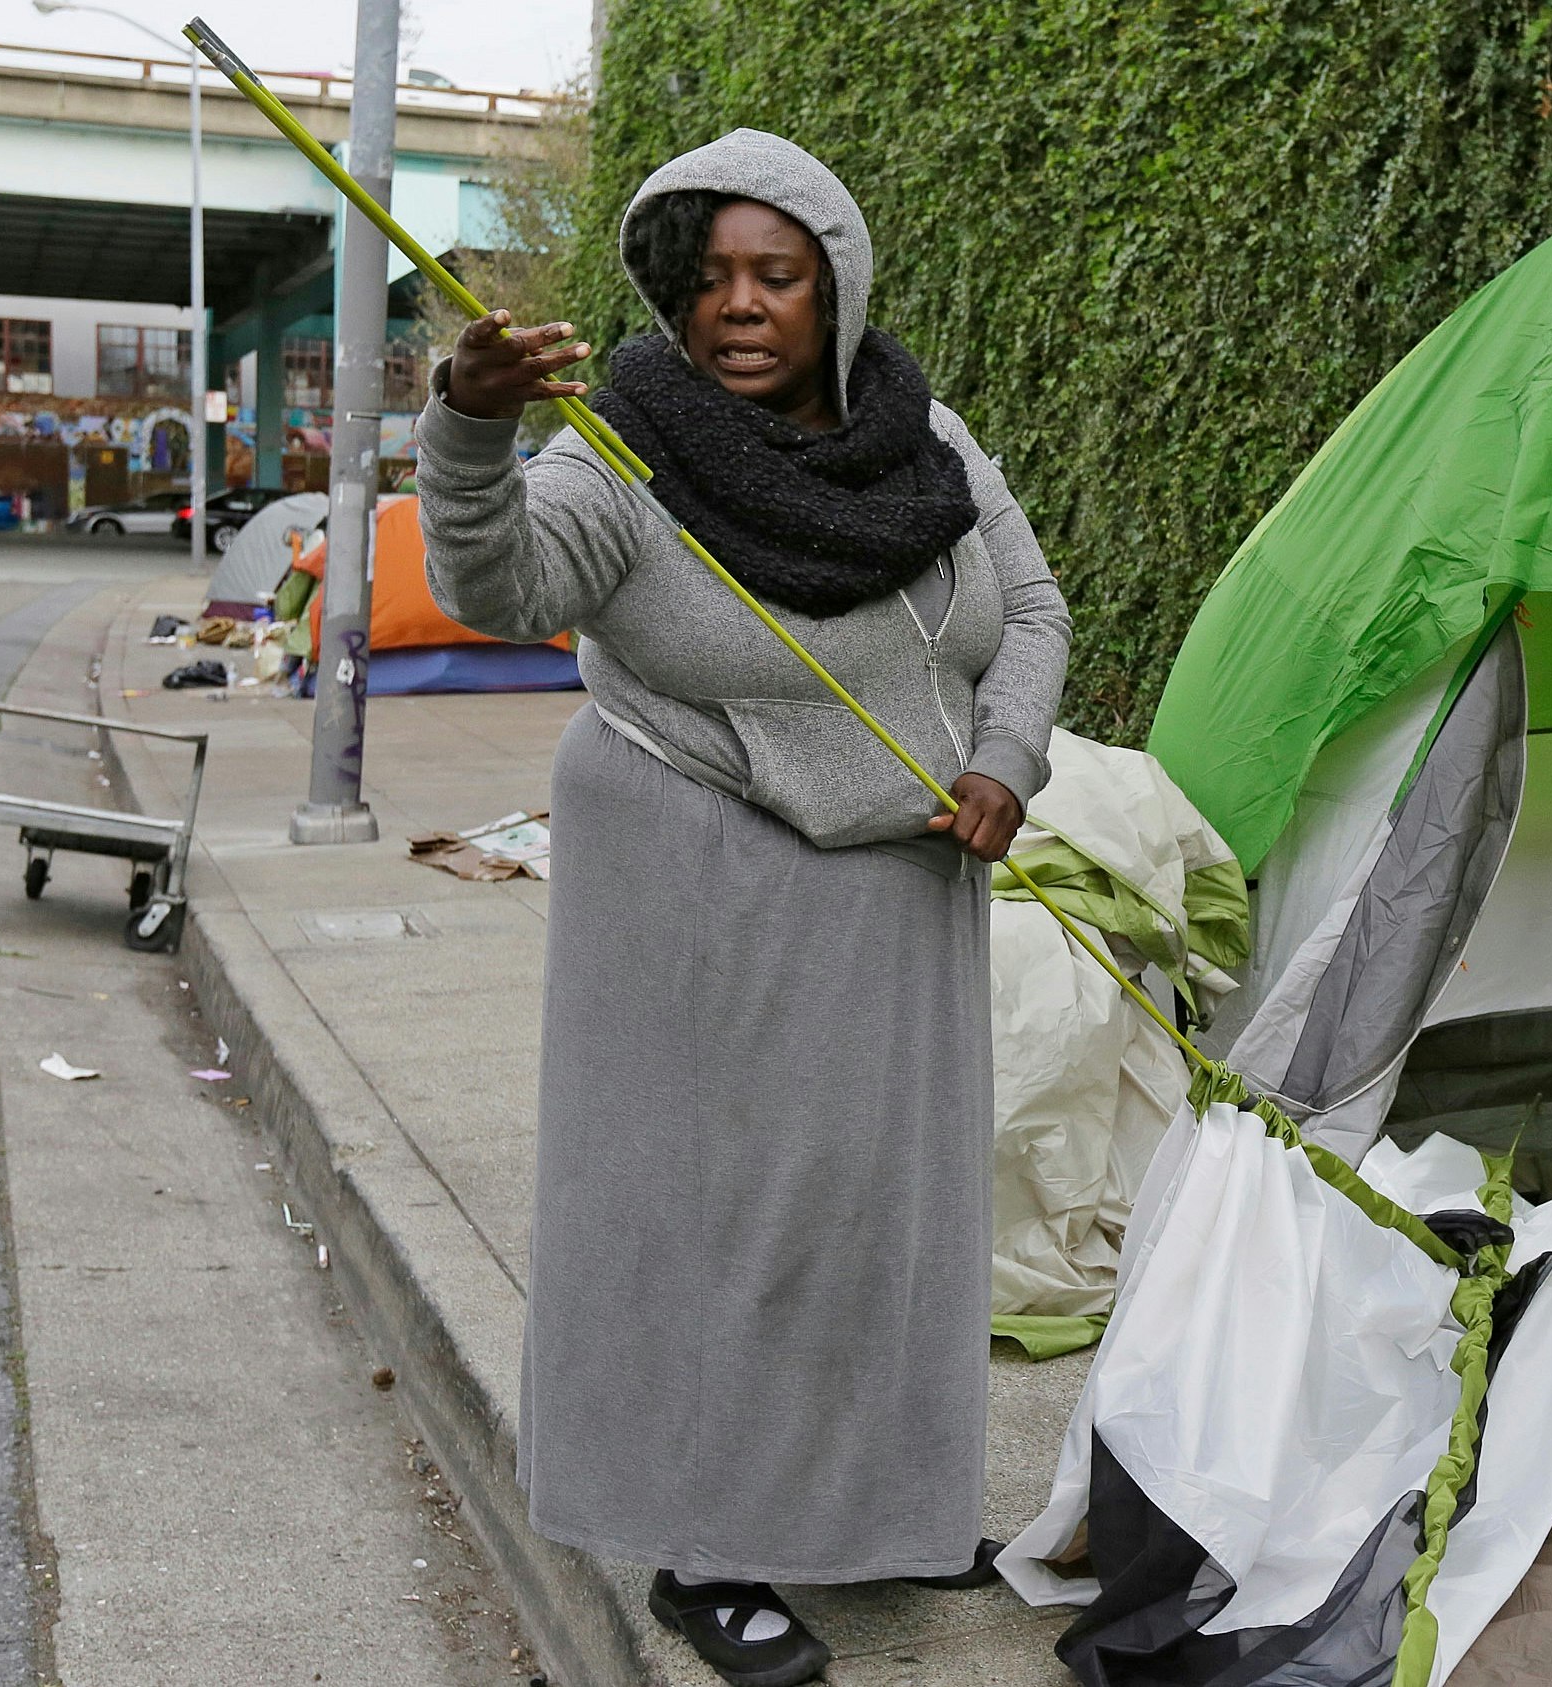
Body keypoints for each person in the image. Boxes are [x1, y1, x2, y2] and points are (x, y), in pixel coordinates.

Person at [416, 129, 1069, 1687]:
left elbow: (1027, 608)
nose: (740, 307)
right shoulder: (617, 445)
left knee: (885, 1224)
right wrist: (468, 429)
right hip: (700, 889)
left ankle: (883, 1510)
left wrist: (1003, 761)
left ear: (836, 286)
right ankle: (705, 1548)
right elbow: (499, 589)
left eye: (777, 274)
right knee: (719, 1227)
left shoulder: (927, 438)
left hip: (906, 883)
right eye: (709, 276)